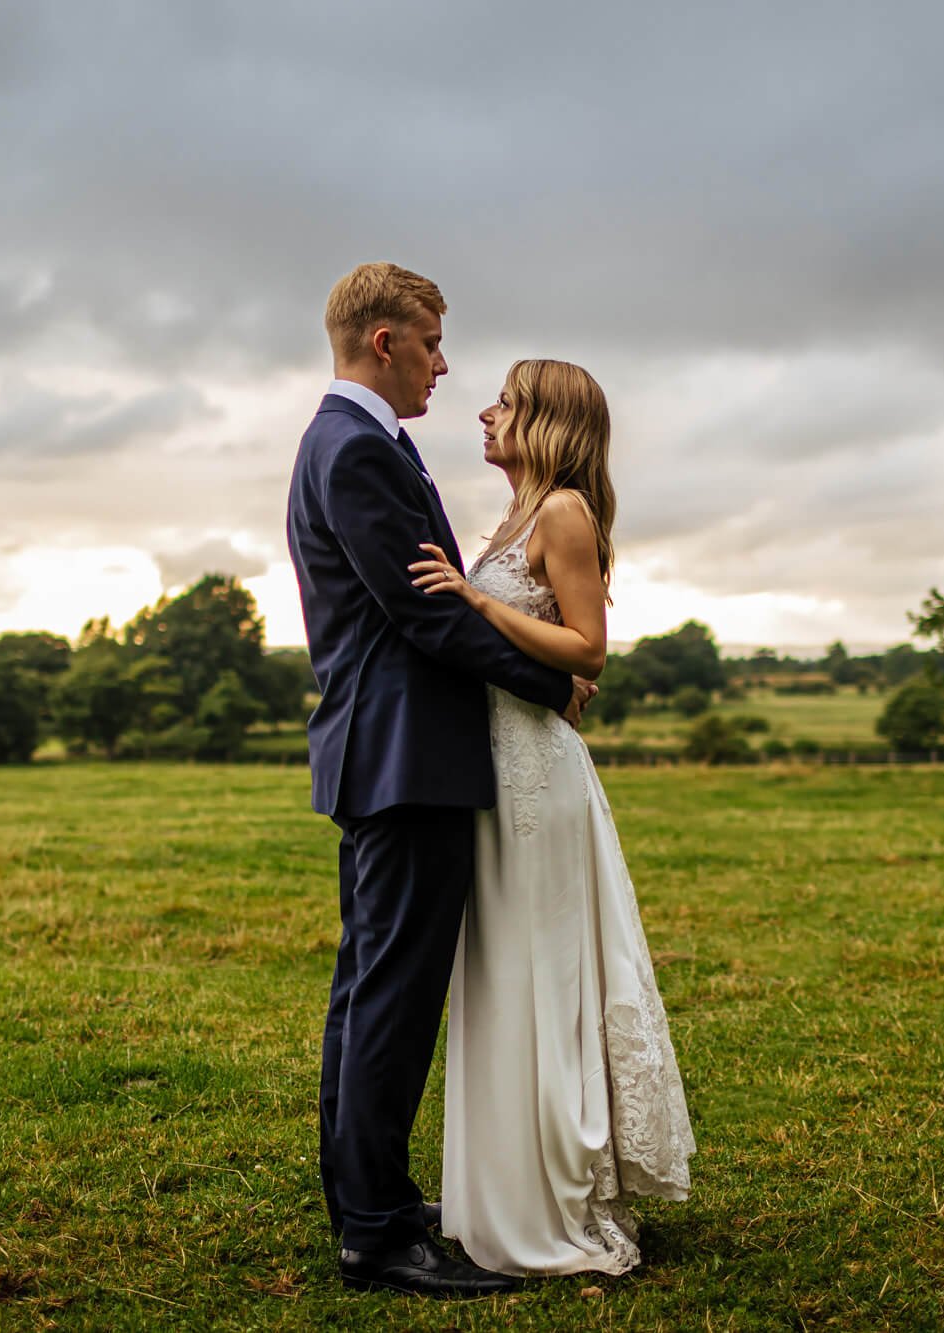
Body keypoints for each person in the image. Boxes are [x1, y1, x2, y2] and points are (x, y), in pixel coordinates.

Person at [285, 264, 597, 1298]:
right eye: (429, 343)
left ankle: (368, 1198)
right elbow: (421, 616)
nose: (442, 364)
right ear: (385, 342)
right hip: (404, 754)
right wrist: (549, 685)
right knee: (391, 995)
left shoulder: (352, 443)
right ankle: (373, 1230)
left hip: (389, 750)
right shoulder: (356, 448)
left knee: (370, 987)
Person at [409, 358, 695, 1276]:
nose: (484, 412)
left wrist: (475, 597)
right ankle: (501, 1184)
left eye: (505, 402)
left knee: (544, 969)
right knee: (499, 969)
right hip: (493, 765)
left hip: (538, 772)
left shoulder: (565, 511)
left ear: (547, 422)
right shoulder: (512, 517)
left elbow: (589, 650)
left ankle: (557, 1194)